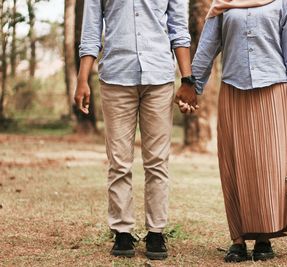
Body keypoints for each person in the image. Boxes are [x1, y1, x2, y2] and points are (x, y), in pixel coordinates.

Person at [175, 0, 287, 262]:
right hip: (233, 91)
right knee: (234, 164)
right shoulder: (223, 3)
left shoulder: (286, 2)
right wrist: (192, 84)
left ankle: (263, 238)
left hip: (273, 91)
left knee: (269, 166)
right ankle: (237, 240)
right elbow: (208, 45)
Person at [75, 0, 193, 260]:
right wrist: (83, 79)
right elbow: (92, 31)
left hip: (159, 78)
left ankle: (156, 232)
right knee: (119, 161)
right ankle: (122, 232)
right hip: (116, 78)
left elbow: (179, 30)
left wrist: (187, 79)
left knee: (157, 161)